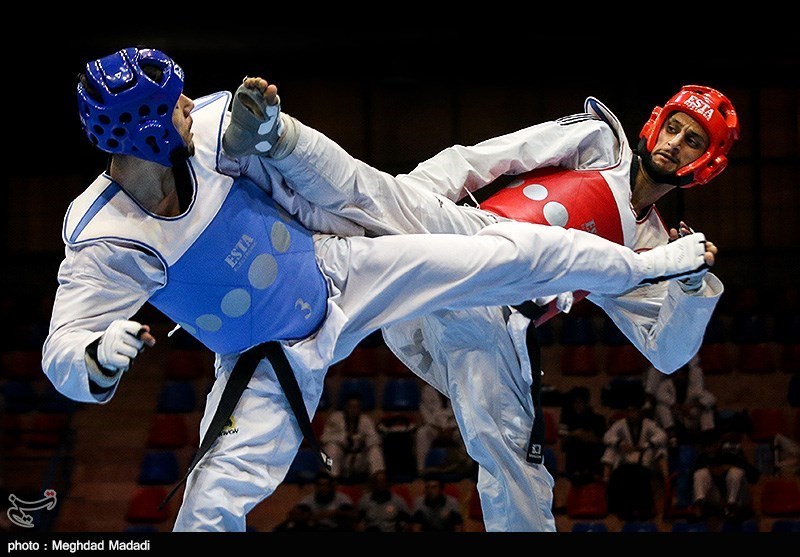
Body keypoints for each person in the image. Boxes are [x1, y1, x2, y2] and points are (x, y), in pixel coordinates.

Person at [40, 48, 707, 532]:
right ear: (148, 127)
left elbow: (324, 181)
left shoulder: (216, 121)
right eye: (175, 102)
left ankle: (645, 268)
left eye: (693, 140)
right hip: (271, 354)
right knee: (210, 504)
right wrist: (94, 359)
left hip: (345, 272)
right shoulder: (105, 236)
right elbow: (63, 348)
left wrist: (687, 285)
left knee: (514, 258)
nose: (191, 103)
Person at [236, 78, 738, 530]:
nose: (674, 143)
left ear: (706, 165)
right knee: (370, 202)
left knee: (513, 458)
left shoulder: (654, 251)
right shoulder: (599, 142)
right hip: (472, 239)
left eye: (692, 141)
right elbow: (484, 158)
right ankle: (269, 139)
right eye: (674, 127)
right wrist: (416, 200)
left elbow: (667, 353)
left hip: (494, 323)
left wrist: (690, 289)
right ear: (655, 123)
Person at [601, 394, 670, 520]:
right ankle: (606, 482)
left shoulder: (649, 424)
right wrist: (620, 444)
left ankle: (666, 480)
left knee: (660, 448)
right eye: (629, 411)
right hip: (625, 461)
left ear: (640, 412)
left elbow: (663, 436)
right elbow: (607, 437)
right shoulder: (620, 424)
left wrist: (646, 445)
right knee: (610, 449)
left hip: (644, 462)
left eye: (634, 411)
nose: (631, 414)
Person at [644, 355, 717, 447]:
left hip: (691, 416)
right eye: (678, 374)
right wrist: (676, 405)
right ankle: (672, 436)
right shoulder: (666, 384)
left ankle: (707, 438)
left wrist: (692, 405)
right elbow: (659, 394)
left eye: (682, 374)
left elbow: (711, 398)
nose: (679, 377)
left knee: (707, 410)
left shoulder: (694, 387)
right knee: (661, 407)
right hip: (675, 416)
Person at [319, 393, 385, 484]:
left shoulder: (365, 420)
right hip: (342, 459)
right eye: (351, 406)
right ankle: (332, 481)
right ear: (345, 407)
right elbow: (324, 438)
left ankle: (379, 481)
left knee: (375, 450)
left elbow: (376, 439)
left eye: (356, 407)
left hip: (360, 458)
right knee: (332, 448)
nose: (354, 410)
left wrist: (363, 440)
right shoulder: (335, 418)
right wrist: (345, 437)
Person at [415, 383, 469, 475]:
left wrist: (452, 427)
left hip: (454, 428)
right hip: (435, 427)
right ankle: (421, 470)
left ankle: (467, 466)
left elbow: (462, 411)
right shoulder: (428, 390)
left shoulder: (456, 386)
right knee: (422, 433)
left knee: (467, 434)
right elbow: (424, 410)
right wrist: (438, 428)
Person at [558, 386, 607, 485]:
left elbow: (602, 440)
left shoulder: (597, 419)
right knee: (574, 443)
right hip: (573, 452)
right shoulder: (567, 417)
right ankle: (575, 473)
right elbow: (563, 440)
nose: (577, 405)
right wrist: (574, 434)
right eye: (575, 402)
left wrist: (585, 436)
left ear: (586, 403)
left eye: (580, 402)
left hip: (591, 452)